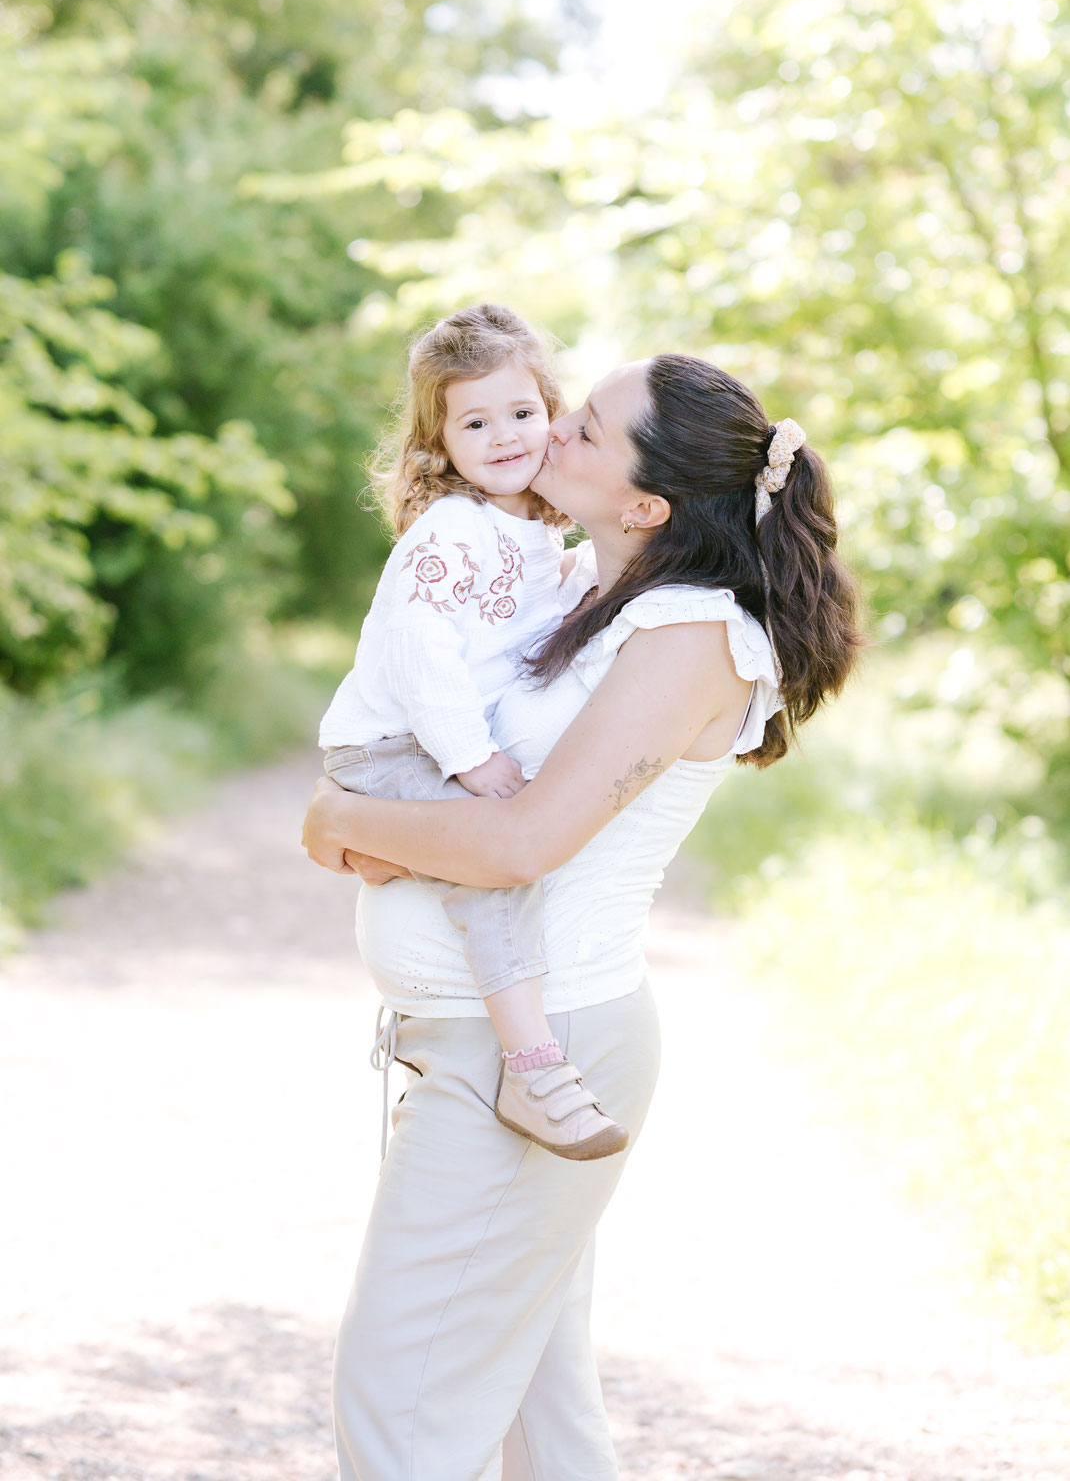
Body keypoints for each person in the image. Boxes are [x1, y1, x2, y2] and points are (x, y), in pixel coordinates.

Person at [303, 352, 863, 1481]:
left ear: (646, 505)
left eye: (587, 430)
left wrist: (336, 818)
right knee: (535, 1418)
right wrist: (383, 821)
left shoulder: (691, 638)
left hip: (540, 1047)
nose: (550, 429)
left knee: (402, 1398)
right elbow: (443, 756)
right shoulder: (578, 592)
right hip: (475, 1038)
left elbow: (520, 841)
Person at [319, 302, 627, 1158]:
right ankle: (533, 1069)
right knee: (492, 867)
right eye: (475, 423)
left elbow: (527, 617)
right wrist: (470, 757)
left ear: (551, 412)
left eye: (521, 413)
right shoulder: (453, 529)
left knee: (478, 852)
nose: (504, 437)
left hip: (422, 746)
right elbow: (420, 650)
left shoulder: (532, 529)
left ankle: (391, 854)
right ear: (440, 441)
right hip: (391, 745)